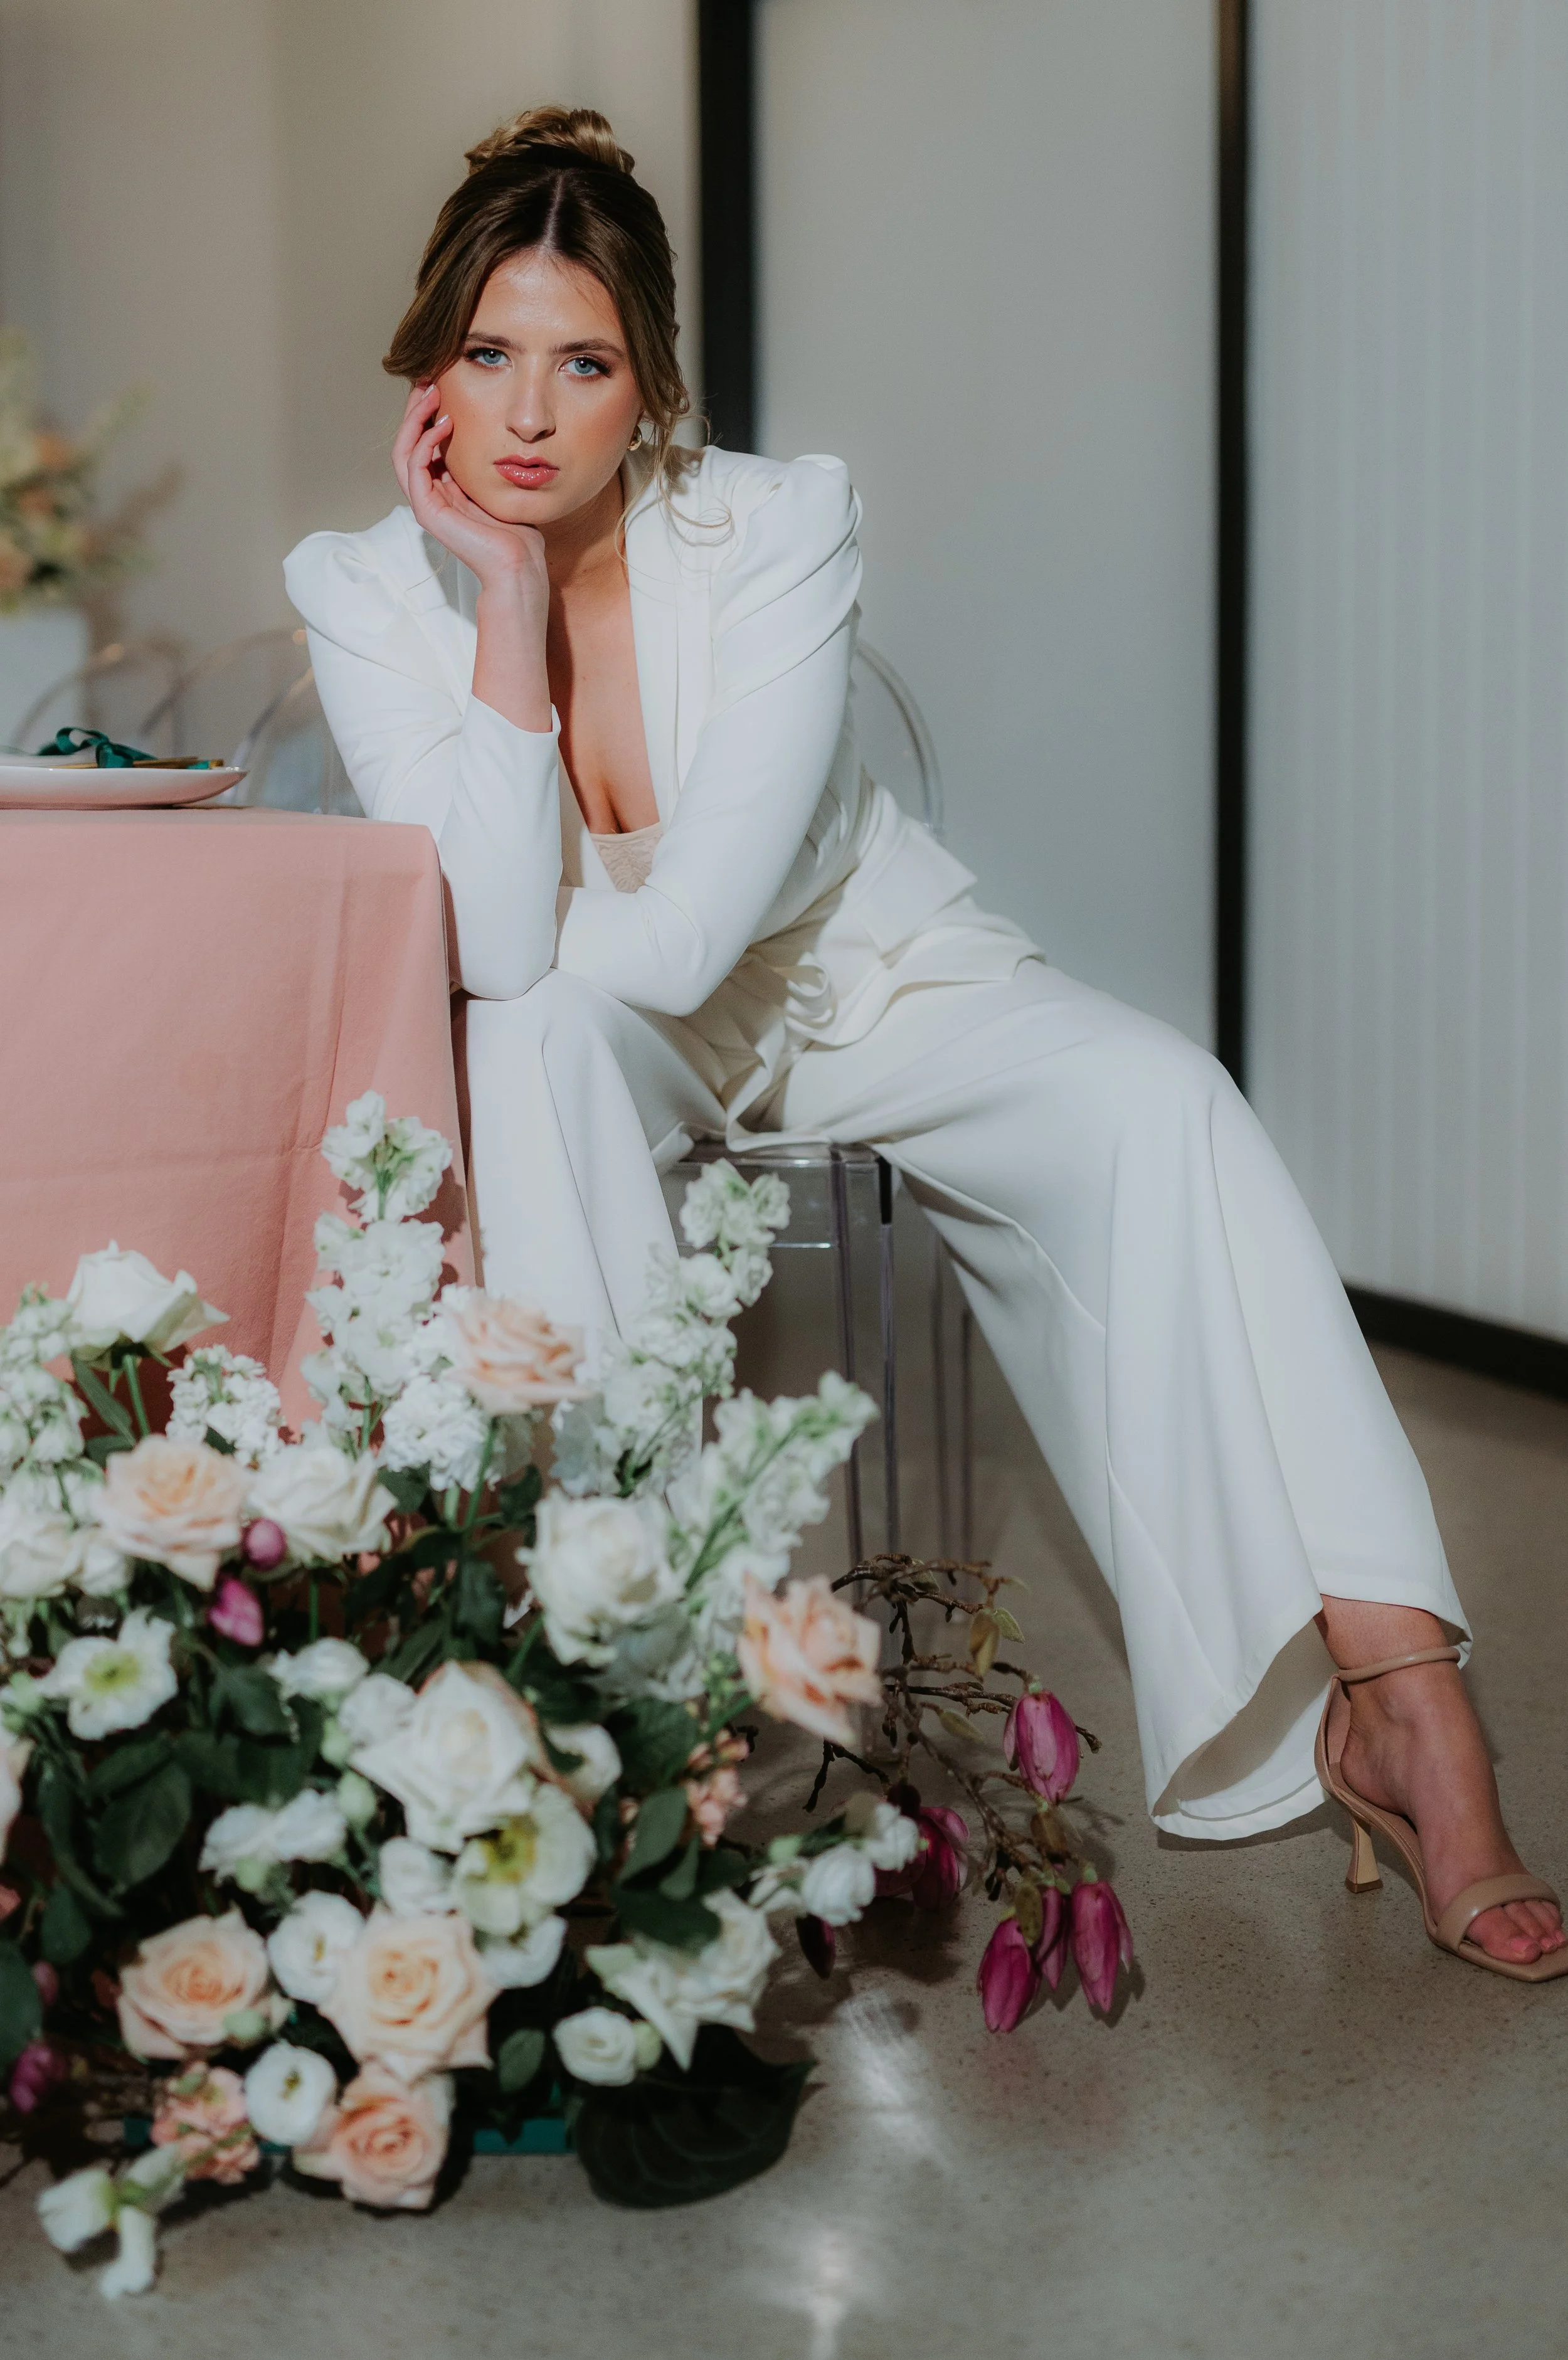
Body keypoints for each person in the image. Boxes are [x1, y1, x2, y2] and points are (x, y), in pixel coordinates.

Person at [285, 105, 1564, 1980]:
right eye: (490, 356)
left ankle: (1398, 1697)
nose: (533, 414)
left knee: (1161, 1103)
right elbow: (494, 956)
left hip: (849, 977)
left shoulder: (780, 519)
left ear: (653, 390)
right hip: (601, 1029)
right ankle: (651, 1702)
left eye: (586, 361)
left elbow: (713, 924)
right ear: (427, 375)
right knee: (545, 1045)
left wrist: (547, 916)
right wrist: (500, 611)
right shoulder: (363, 586)